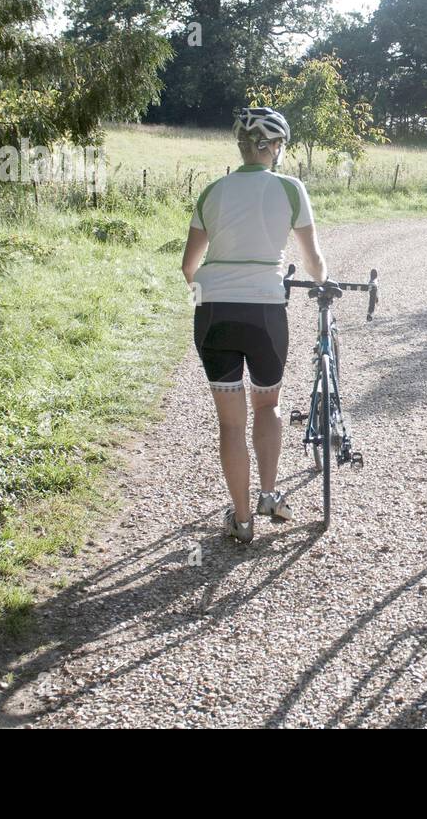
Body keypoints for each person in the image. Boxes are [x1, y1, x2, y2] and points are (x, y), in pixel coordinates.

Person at [181, 106, 327, 542]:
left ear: (241, 147)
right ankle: (268, 494)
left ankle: (241, 521)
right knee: (268, 405)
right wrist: (323, 282)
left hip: (214, 312)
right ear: (276, 148)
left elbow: (188, 266)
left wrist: (205, 294)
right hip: (265, 310)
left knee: (230, 423)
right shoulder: (289, 188)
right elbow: (313, 259)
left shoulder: (213, 191)